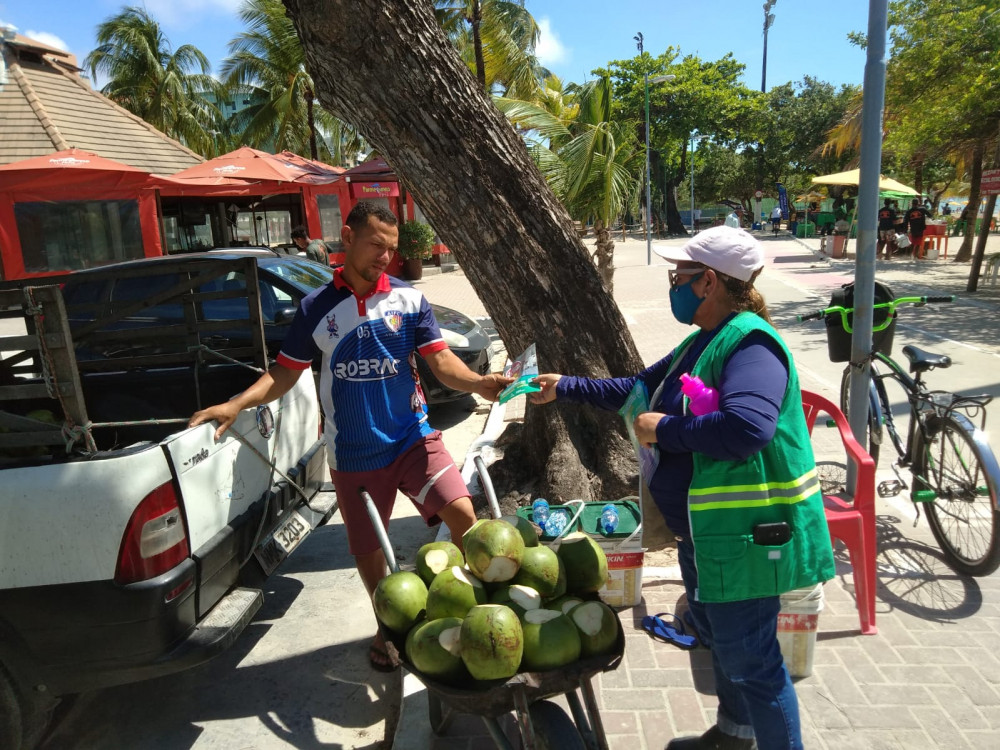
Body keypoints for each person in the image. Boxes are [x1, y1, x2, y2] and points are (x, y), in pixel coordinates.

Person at [530, 226, 834, 750]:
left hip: (745, 540)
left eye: (679, 277)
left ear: (708, 282)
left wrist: (662, 430)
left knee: (756, 664)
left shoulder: (752, 345)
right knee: (725, 647)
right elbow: (637, 388)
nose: (673, 285)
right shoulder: (703, 342)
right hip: (707, 535)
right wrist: (566, 387)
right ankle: (735, 735)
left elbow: (747, 428)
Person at [190, 201, 513, 672]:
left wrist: (480, 383)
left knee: (464, 514)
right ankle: (386, 628)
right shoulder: (315, 309)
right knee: (368, 554)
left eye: (392, 249)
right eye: (375, 245)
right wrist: (238, 402)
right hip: (354, 454)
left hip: (412, 438)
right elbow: (284, 373)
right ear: (348, 236)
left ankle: (468, 611)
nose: (385, 257)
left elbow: (440, 362)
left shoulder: (410, 300)